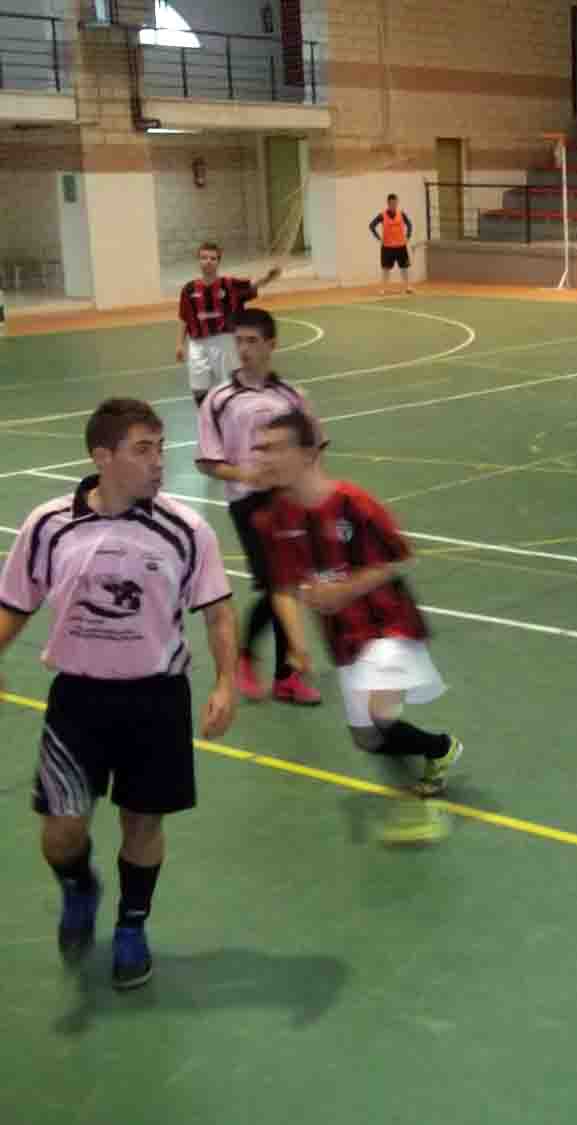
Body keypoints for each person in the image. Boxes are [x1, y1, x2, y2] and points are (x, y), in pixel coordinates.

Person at [0, 398, 237, 989]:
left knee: (143, 824)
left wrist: (226, 682)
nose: (159, 462)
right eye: (143, 449)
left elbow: (219, 612)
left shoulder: (186, 529)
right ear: (102, 457)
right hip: (78, 699)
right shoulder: (50, 525)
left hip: (156, 700)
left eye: (160, 448)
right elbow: (14, 605)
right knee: (62, 829)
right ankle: (79, 885)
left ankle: (132, 926)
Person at [253, 409, 463, 845]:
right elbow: (284, 588)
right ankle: (439, 749)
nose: (264, 457)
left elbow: (400, 557)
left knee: (376, 714)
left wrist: (344, 591)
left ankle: (418, 811)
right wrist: (297, 646)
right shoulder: (275, 519)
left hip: (390, 626)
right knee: (368, 738)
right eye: (261, 448)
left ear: (308, 454)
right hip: (344, 641)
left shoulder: (354, 504)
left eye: (274, 448)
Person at [195, 308, 321, 706]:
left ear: (271, 344)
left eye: (252, 341)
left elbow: (313, 447)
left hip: (288, 499)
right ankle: (250, 654)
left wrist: (313, 492)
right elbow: (207, 461)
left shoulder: (291, 396)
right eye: (239, 341)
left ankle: (286, 676)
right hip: (247, 502)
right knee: (274, 583)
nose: (244, 350)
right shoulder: (219, 399)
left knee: (288, 585)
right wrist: (249, 476)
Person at [175, 242, 280, 407]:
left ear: (218, 261)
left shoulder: (230, 285)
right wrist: (180, 344)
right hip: (197, 343)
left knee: (231, 385)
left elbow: (253, 285)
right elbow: (184, 317)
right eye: (204, 258)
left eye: (213, 258)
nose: (208, 261)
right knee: (198, 388)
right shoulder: (188, 289)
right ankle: (207, 417)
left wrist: (269, 277)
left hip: (224, 340)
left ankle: (234, 415)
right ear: (198, 260)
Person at [369, 193, 414, 296]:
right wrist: (378, 238)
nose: (394, 205)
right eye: (392, 203)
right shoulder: (382, 215)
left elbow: (409, 224)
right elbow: (371, 226)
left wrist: (408, 236)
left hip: (401, 246)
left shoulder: (401, 214)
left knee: (404, 267)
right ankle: (383, 289)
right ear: (388, 203)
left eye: (395, 203)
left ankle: (408, 287)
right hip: (387, 247)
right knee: (386, 268)